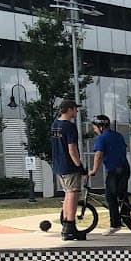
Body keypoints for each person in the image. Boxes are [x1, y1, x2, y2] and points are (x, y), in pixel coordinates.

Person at [49, 101, 88, 241]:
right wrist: (80, 166)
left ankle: (66, 224)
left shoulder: (55, 125)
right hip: (69, 165)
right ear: (69, 109)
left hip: (58, 165)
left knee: (67, 194)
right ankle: (70, 228)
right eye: (75, 110)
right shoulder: (69, 127)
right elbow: (72, 149)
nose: (76, 112)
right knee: (73, 194)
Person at [88, 114, 130, 232]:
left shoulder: (102, 138)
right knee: (121, 194)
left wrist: (94, 171)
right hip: (125, 168)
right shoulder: (118, 135)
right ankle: (126, 219)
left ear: (100, 126)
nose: (95, 130)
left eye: (95, 127)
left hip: (115, 170)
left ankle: (115, 224)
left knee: (110, 196)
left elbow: (98, 155)